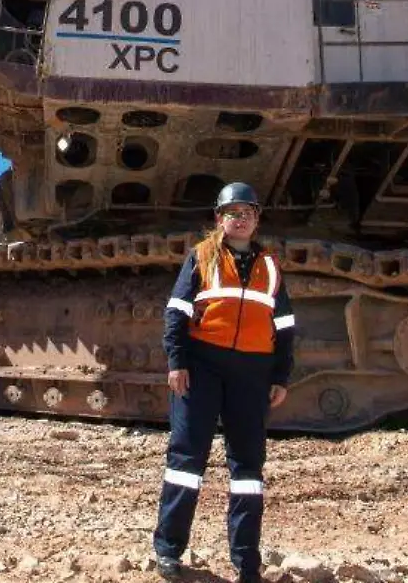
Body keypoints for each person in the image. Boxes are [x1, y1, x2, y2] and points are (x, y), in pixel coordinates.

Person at [152, 181, 295, 582]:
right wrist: (177, 362)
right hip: (203, 367)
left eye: (247, 212)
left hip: (252, 373)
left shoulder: (269, 265)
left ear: (257, 219)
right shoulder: (202, 256)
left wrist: (280, 375)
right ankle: (168, 551)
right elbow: (177, 311)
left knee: (249, 468)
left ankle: (247, 562)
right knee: (186, 460)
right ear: (220, 219)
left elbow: (284, 326)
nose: (240, 218)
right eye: (232, 212)